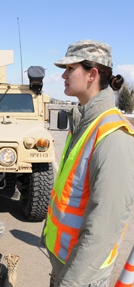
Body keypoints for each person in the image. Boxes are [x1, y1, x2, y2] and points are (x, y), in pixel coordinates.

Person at [41, 40, 134, 286]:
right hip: (66, 263)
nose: (63, 75)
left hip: (82, 276)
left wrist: (70, 281)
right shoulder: (83, 123)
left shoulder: (113, 135)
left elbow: (105, 228)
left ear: (92, 74)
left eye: (70, 69)